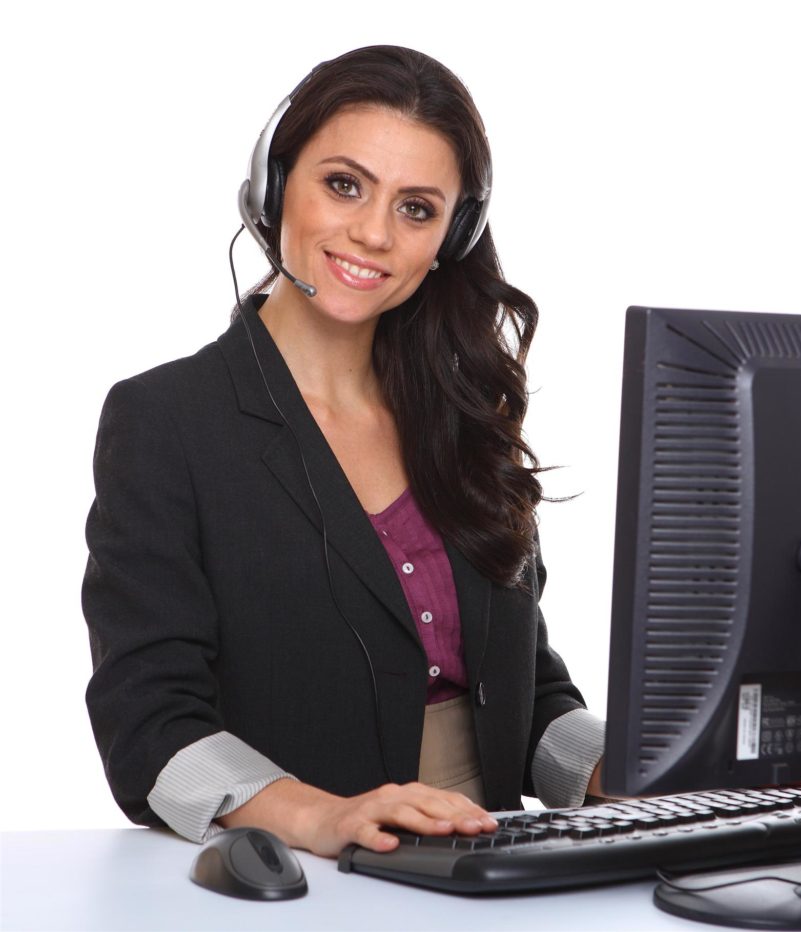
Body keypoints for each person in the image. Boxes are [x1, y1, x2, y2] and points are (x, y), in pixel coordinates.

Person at [82, 46, 606, 859]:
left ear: (451, 237)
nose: (373, 233)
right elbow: (149, 724)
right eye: (344, 184)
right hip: (306, 874)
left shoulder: (464, 417)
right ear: (274, 183)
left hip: (494, 875)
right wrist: (317, 816)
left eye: (417, 208)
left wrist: (632, 762)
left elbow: (526, 692)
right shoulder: (166, 420)